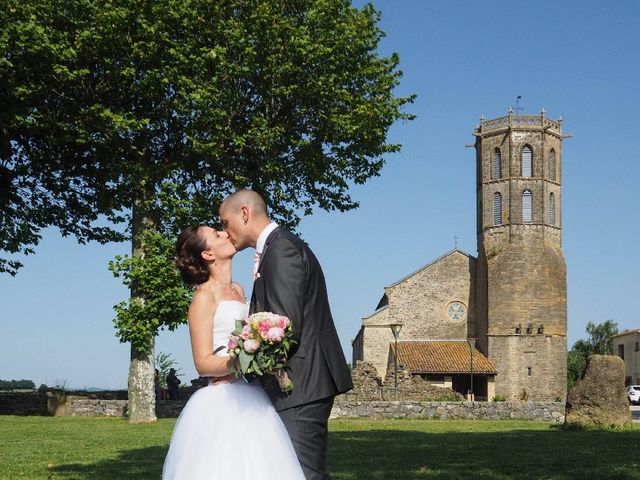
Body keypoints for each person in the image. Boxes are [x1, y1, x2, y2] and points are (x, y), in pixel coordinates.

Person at [220, 189, 354, 480]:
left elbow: (283, 328)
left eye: (224, 222)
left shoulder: (281, 249)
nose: (224, 232)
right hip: (299, 384)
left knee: (302, 474)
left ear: (244, 213)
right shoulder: (277, 247)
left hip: (300, 384)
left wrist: (243, 359)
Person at [162, 226, 304, 479]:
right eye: (217, 235)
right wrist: (245, 360)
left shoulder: (239, 289)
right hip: (223, 399)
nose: (226, 233)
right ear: (207, 254)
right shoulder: (204, 297)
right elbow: (202, 363)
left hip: (253, 394)